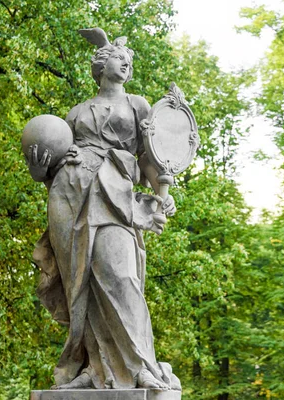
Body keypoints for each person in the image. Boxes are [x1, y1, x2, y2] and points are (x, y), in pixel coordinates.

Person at [26, 28, 180, 391]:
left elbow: (152, 157)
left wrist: (162, 191)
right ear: (99, 65)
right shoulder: (77, 112)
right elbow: (54, 161)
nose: (126, 62)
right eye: (117, 57)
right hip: (70, 192)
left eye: (128, 60)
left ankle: (138, 365)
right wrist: (39, 172)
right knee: (81, 283)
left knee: (121, 275)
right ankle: (92, 369)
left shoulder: (139, 105)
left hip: (116, 195)